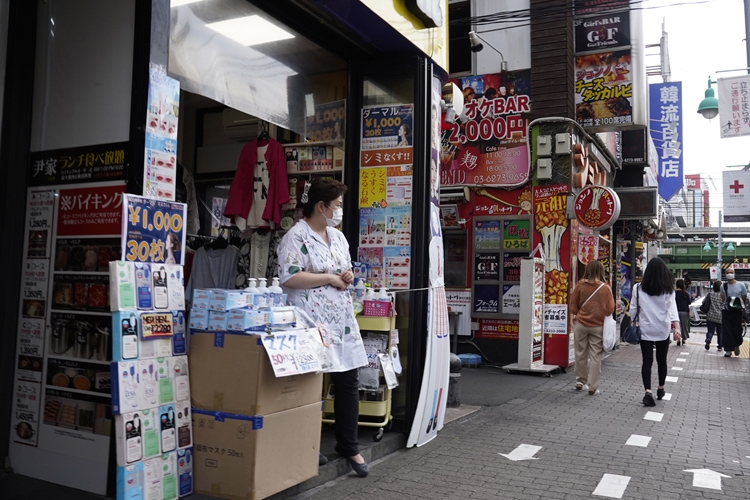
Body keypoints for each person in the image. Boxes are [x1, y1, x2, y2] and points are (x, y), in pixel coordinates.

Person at [276, 178, 369, 477]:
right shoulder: (296, 236)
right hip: (309, 318)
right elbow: (289, 277)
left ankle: (349, 445)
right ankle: (306, 446)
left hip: (339, 319)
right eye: (338, 206)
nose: (340, 211)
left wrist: (347, 275)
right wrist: (329, 278)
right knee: (311, 383)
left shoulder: (338, 237)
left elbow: (346, 268)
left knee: (347, 379)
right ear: (321, 206)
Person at [629, 258, 680, 407]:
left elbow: (633, 309)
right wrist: (676, 328)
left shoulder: (638, 288)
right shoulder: (668, 289)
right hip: (662, 329)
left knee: (647, 361)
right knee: (662, 360)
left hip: (645, 329)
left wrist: (635, 321)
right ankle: (661, 388)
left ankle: (647, 392)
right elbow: (672, 309)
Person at [569, 260, 614, 396]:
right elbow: (610, 309)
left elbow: (573, 305)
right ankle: (593, 386)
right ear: (601, 271)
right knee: (595, 356)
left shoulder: (580, 285)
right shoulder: (605, 288)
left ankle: (580, 381)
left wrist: (578, 315)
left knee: (580, 353)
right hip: (598, 326)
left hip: (581, 324)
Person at [720, 267, 748, 358]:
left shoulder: (741, 285)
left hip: (737, 311)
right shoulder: (723, 286)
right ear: (725, 274)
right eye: (727, 272)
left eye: (731, 272)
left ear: (734, 273)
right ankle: (728, 350)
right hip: (727, 311)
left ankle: (736, 345)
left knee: (737, 330)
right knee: (727, 330)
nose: (729, 274)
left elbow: (744, 297)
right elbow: (723, 298)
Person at [705, 280, 723, 351]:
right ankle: (720, 346)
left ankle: (708, 339)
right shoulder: (723, 295)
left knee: (710, 331)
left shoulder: (710, 294)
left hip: (710, 315)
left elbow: (704, 303)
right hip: (720, 317)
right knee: (720, 332)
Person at [674, 278, 691, 346]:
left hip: (676, 311)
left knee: (677, 326)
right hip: (684, 311)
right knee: (684, 326)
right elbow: (689, 302)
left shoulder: (674, 293)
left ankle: (678, 339)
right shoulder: (685, 293)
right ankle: (684, 339)